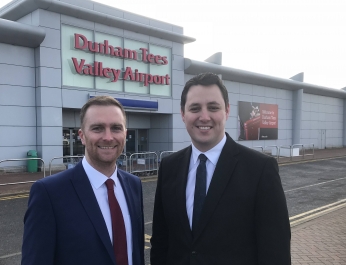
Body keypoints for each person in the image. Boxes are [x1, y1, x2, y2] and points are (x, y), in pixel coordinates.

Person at [150, 73, 291, 264]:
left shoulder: (260, 169)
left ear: (227, 111)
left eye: (213, 107)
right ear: (183, 114)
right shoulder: (169, 166)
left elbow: (276, 251)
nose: (204, 116)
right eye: (195, 108)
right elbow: (160, 241)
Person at [22, 96, 144, 265]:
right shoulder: (49, 193)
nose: (108, 137)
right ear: (82, 136)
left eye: (116, 128)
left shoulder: (134, 185)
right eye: (97, 128)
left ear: (125, 133)